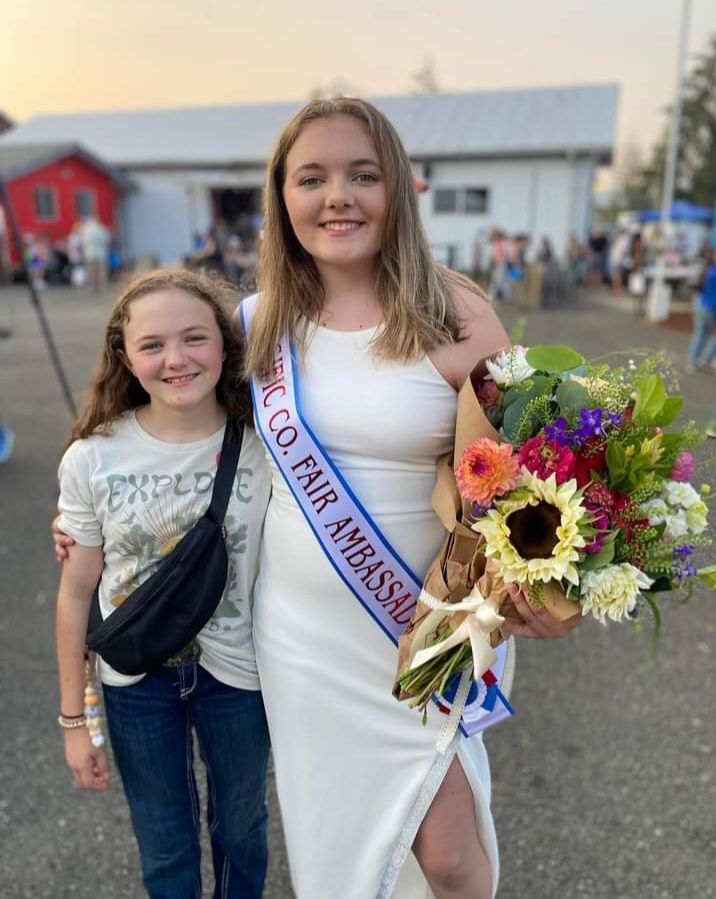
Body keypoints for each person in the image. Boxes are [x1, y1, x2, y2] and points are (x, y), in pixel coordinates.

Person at [242, 97, 580, 899]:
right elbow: (193, 434)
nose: (338, 197)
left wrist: (544, 584)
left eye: (364, 175)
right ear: (282, 197)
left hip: (427, 623)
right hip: (302, 637)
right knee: (343, 846)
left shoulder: (456, 314)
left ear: (398, 188)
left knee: (454, 860)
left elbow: (535, 477)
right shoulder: (256, 322)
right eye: (311, 177)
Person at [54, 268, 271, 899]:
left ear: (226, 347)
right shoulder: (92, 457)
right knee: (165, 841)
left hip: (240, 674)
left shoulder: (267, 446)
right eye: (152, 345)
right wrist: (75, 721)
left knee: (242, 826)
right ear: (124, 355)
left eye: (195, 338)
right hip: (135, 679)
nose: (175, 359)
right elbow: (75, 593)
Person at [686, 247, 716, 373]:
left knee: (699, 334)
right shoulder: (712, 272)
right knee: (702, 335)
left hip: (701, 305)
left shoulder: (707, 270)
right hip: (711, 308)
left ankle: (693, 361)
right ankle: (704, 359)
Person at [79, 215, 111, 291]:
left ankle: (94, 287)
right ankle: (102, 287)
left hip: (89, 255)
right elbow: (106, 241)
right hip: (101, 254)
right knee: (101, 272)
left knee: (92, 273)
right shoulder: (101, 229)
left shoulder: (85, 230)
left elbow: (82, 243)